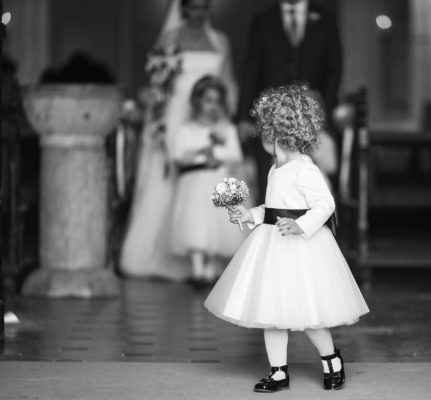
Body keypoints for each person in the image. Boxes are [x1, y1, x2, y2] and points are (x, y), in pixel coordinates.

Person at [204, 84, 369, 393]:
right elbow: (272, 206)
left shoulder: (304, 169)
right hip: (272, 247)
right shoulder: (275, 169)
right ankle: (278, 372)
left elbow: (325, 204)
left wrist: (301, 226)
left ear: (280, 136)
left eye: (268, 134)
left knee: (309, 314)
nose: (265, 140)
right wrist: (249, 215)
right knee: (272, 313)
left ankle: (332, 360)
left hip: (301, 249)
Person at [120, 0, 238, 281]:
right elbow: (158, 82)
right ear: (183, 9)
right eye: (193, 7)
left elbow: (228, 82)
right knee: (169, 179)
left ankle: (210, 250)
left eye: (203, 7)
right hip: (176, 115)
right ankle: (165, 253)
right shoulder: (171, 38)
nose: (198, 13)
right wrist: (159, 118)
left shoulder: (220, 40)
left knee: (212, 179)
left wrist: (226, 118)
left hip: (210, 111)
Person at [236, 0, 342, 203]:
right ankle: (273, 228)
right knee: (270, 177)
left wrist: (324, 112)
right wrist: (243, 115)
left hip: (312, 116)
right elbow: (251, 69)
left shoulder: (325, 18)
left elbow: (333, 70)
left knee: (312, 176)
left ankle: (311, 227)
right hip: (271, 116)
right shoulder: (262, 19)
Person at [170, 76, 244, 284]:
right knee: (195, 224)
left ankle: (210, 270)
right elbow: (178, 156)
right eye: (208, 100)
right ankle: (197, 270)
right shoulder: (186, 130)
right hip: (193, 184)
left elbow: (235, 156)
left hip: (218, 180)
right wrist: (199, 152)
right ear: (197, 101)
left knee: (216, 226)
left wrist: (218, 157)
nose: (212, 106)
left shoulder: (227, 130)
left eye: (217, 101)